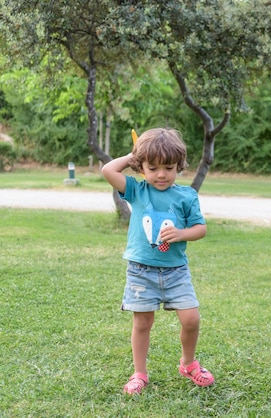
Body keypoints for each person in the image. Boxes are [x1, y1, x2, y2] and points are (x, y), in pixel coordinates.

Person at [101, 128, 214, 395]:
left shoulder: (187, 196)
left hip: (176, 271)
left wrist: (181, 234)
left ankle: (188, 364)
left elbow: (200, 229)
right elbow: (108, 171)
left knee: (191, 319)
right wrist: (134, 156)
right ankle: (139, 372)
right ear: (142, 168)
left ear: (179, 166)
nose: (161, 174)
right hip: (141, 271)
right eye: (152, 168)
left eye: (168, 167)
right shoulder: (137, 190)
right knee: (142, 323)